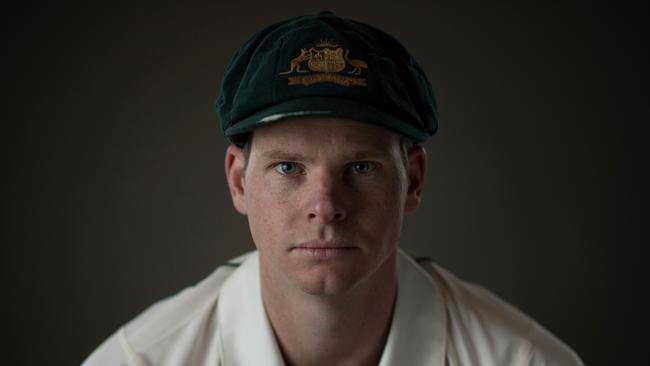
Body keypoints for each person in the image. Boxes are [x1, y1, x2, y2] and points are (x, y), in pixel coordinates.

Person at [83, 11, 583, 366]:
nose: (325, 207)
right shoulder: (142, 360)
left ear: (414, 179)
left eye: (361, 167)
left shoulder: (523, 360)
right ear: (239, 181)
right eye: (287, 169)